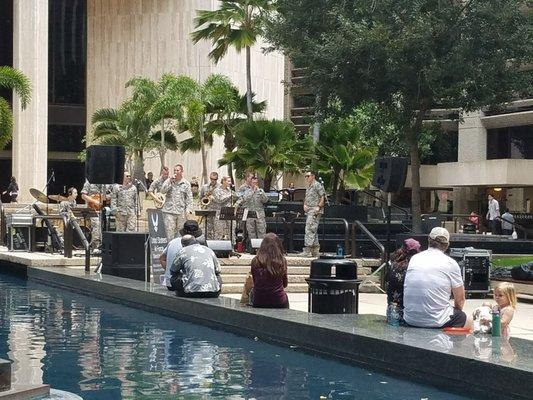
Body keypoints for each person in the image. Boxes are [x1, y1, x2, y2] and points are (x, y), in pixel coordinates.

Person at [403, 227, 472, 329]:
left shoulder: (414, 258)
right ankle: (455, 344)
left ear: (429, 240)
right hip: (436, 320)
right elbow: (460, 299)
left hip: (410, 318)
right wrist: (457, 312)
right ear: (447, 245)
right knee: (466, 318)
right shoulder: (450, 263)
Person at [159, 220, 205, 290]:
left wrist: (169, 270)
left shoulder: (173, 242)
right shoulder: (195, 246)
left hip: (169, 283)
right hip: (183, 284)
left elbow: (162, 259)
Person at [249, 233, 289, 308]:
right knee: (285, 297)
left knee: (252, 292)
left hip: (259, 300)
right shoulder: (282, 261)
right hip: (278, 300)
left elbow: (255, 282)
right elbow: (285, 284)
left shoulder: (255, 261)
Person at [386, 238, 421, 319]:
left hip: (392, 312)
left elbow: (386, 279)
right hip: (407, 313)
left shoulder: (392, 264)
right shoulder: (413, 266)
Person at [160, 164, 194, 240]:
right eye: (174, 170)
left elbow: (189, 198)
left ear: (182, 172)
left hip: (180, 212)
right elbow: (162, 191)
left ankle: (178, 249)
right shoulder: (169, 181)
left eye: (177, 170)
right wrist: (169, 181)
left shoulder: (186, 183)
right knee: (169, 232)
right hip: (169, 211)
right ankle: (170, 248)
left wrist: (189, 210)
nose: (176, 172)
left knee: (180, 233)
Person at [81, 179, 111, 251]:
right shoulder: (89, 182)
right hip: (92, 209)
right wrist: (94, 201)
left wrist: (106, 198)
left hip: (104, 209)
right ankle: (95, 246)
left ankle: (104, 246)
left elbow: (111, 194)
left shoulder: (106, 182)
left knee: (105, 226)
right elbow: (83, 195)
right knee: (96, 225)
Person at [301, 170, 325, 257]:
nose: (306, 178)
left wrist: (318, 206)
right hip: (309, 209)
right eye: (306, 176)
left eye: (308, 176)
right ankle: (315, 250)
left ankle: (307, 249)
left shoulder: (317, 185)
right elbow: (307, 197)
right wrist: (304, 205)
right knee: (312, 228)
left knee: (309, 228)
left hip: (315, 210)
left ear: (313, 176)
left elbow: (322, 197)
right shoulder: (309, 186)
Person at [239, 174, 268, 239]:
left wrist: (262, 193)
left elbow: (265, 200)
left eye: (256, 182)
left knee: (262, 232)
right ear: (250, 183)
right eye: (253, 182)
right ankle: (253, 248)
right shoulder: (247, 191)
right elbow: (245, 199)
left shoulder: (261, 191)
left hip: (259, 215)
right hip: (250, 214)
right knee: (251, 233)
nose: (255, 184)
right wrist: (253, 191)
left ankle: (261, 248)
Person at [199, 171, 220, 239]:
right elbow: (201, 198)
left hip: (217, 211)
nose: (213, 180)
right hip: (207, 211)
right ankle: (208, 243)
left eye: (215, 179)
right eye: (211, 179)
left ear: (217, 179)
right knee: (207, 230)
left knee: (217, 230)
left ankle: (216, 245)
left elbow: (221, 200)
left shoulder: (220, 188)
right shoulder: (205, 187)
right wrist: (202, 205)